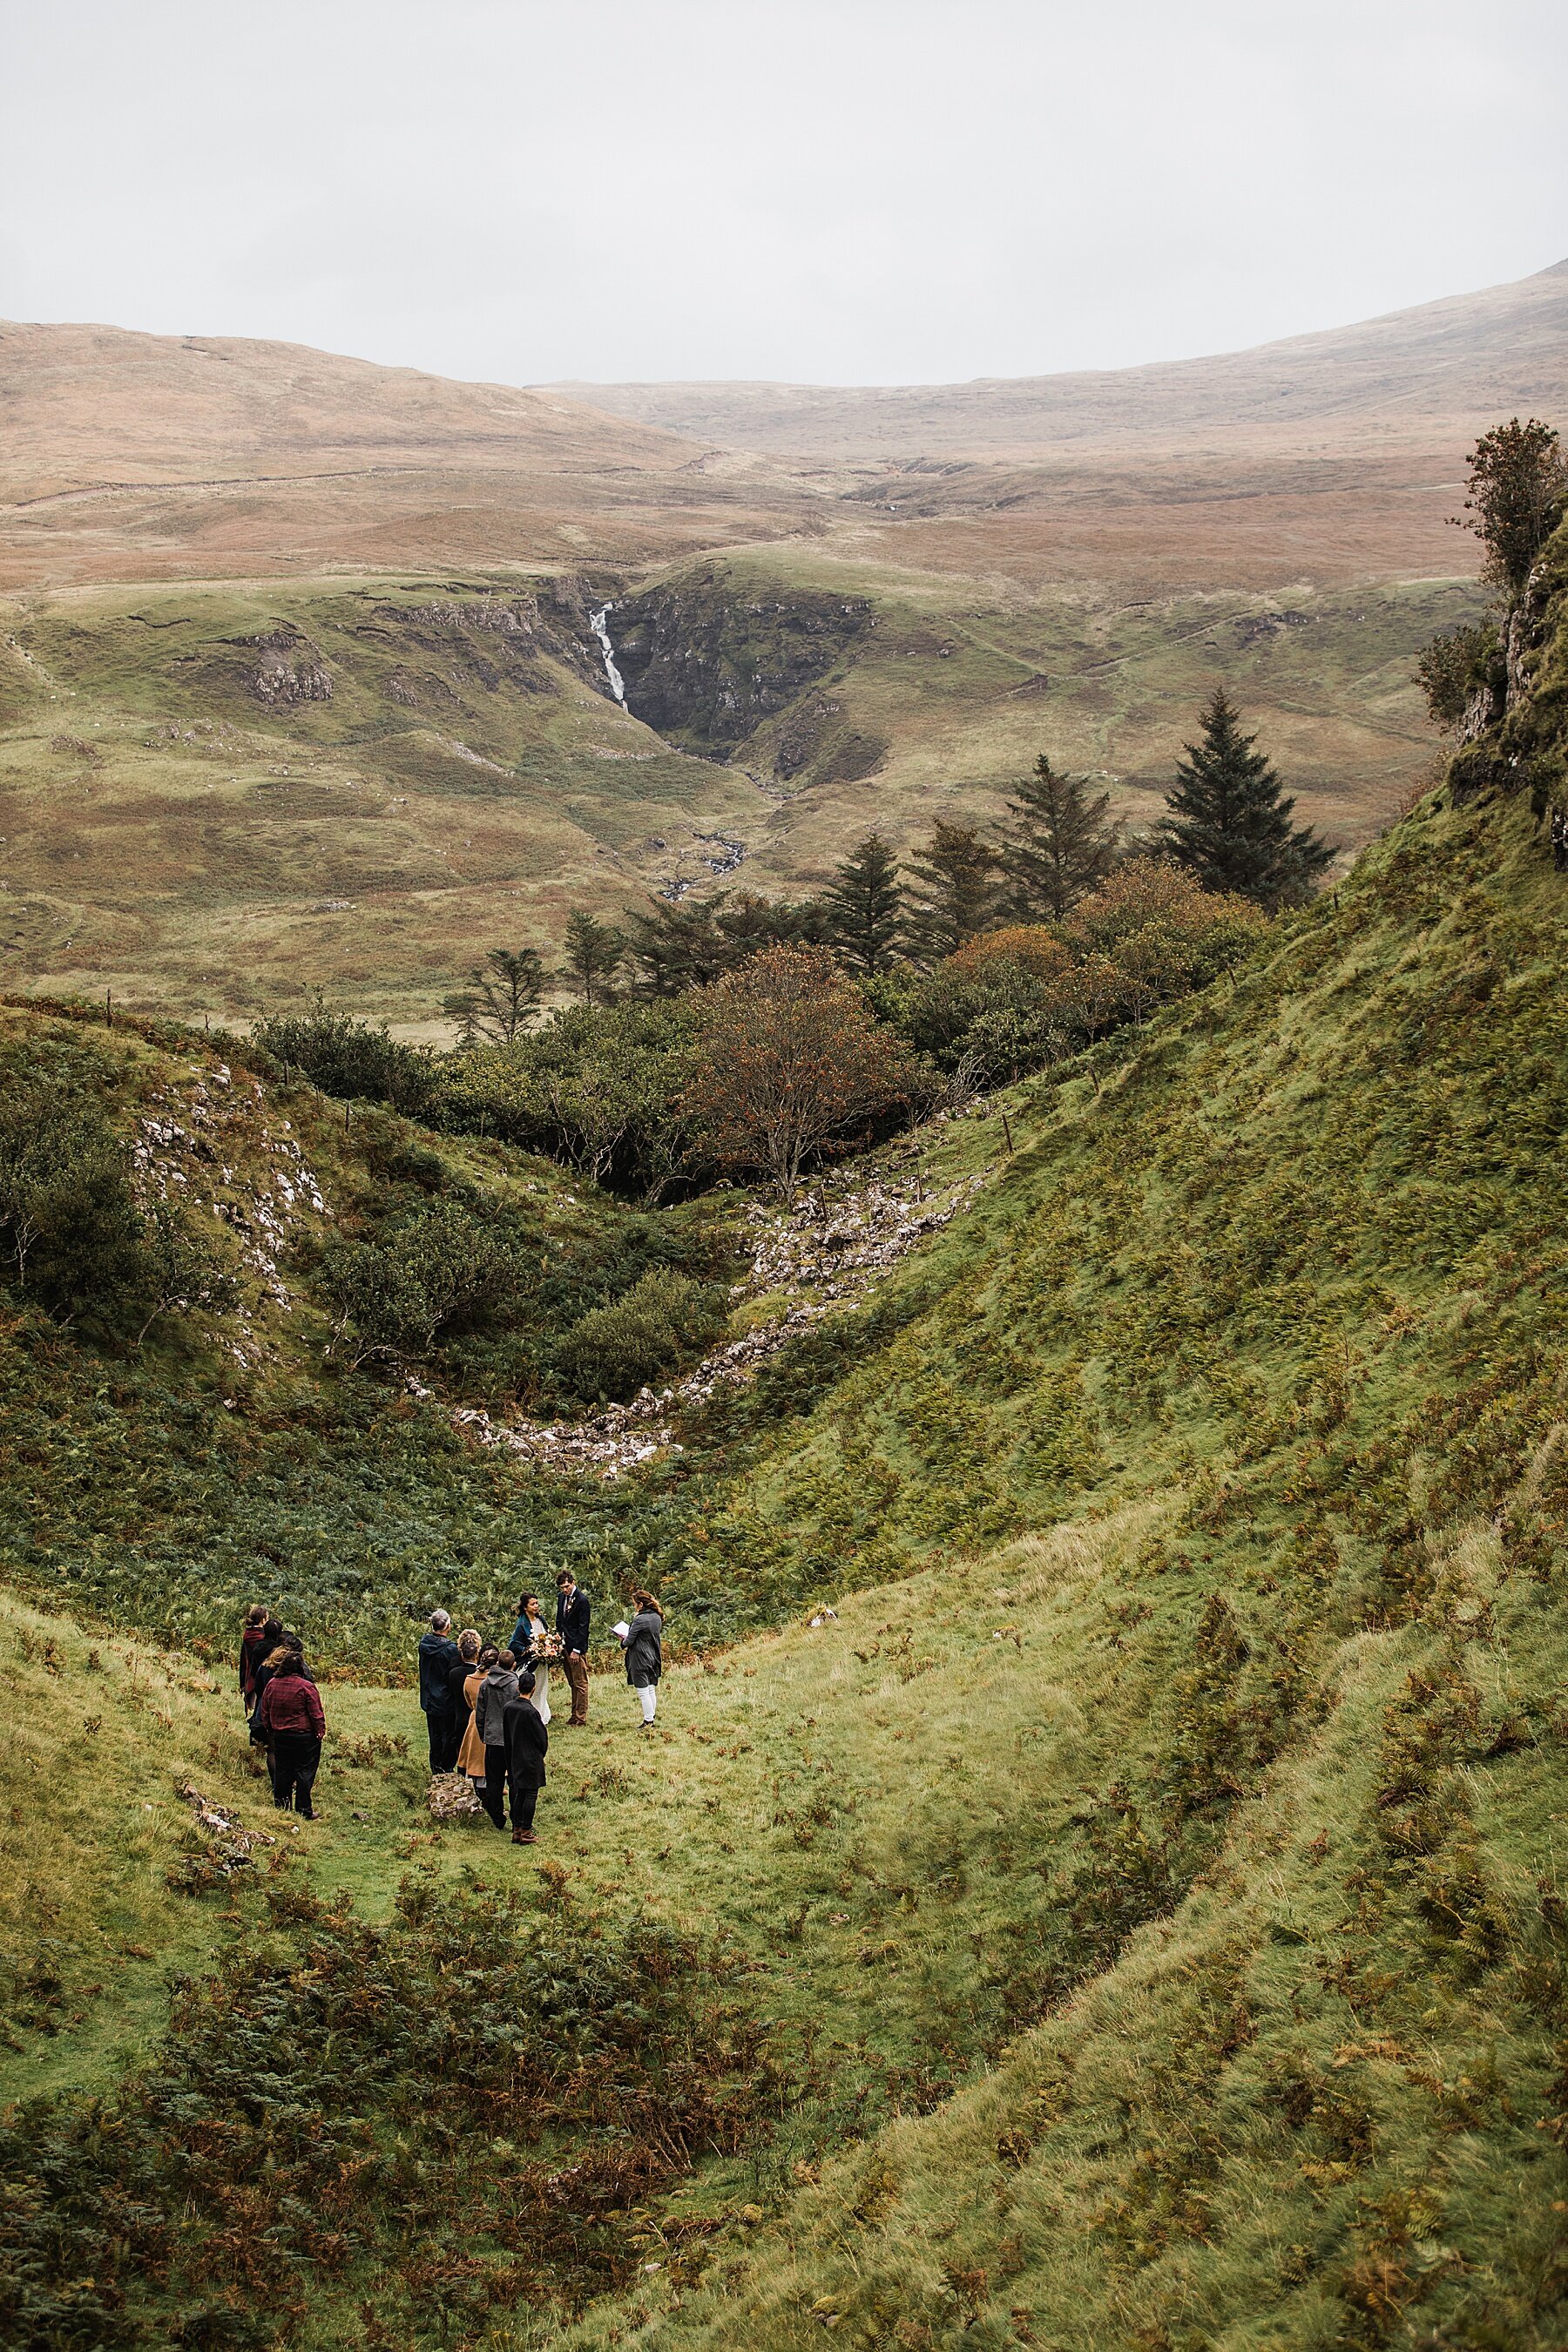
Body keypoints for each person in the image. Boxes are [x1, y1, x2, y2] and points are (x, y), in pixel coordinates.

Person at [257, 1650, 326, 1819]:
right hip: (304, 1736)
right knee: (304, 1772)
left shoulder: (272, 1684)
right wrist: (320, 1732)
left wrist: (270, 1728)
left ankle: (282, 1806)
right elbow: (316, 1713)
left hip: (280, 1734)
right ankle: (303, 1809)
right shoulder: (306, 1687)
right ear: (300, 1667)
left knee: (283, 1770)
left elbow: (265, 1709)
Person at [475, 1648, 522, 1829]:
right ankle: (516, 1817)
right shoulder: (514, 1686)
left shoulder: (486, 1684)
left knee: (494, 1781)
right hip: (510, 1739)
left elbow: (480, 1713)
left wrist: (483, 1734)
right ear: (513, 1665)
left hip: (493, 1738)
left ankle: (497, 1816)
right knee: (514, 1781)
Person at [502, 1669, 549, 1844]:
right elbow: (541, 1738)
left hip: (514, 1756)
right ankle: (526, 1832)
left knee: (518, 1793)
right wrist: (540, 1755)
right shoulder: (531, 1712)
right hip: (530, 1759)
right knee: (530, 1795)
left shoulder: (508, 1708)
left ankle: (517, 1828)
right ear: (534, 1689)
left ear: (518, 1687)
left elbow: (506, 1734)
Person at [417, 1610, 462, 1775]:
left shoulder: (424, 1644)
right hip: (446, 1699)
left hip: (429, 1697)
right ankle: (446, 1767)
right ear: (448, 1626)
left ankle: (435, 1767)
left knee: (434, 1735)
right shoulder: (451, 1650)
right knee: (448, 1736)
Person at [507, 1592, 555, 1727]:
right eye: (532, 1604)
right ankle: (530, 1714)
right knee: (532, 1685)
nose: (536, 1606)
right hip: (530, 1661)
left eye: (536, 1603)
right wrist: (529, 1650)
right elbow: (514, 1643)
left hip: (542, 1659)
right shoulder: (522, 1624)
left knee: (541, 1684)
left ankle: (541, 1713)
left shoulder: (540, 1619)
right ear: (525, 1607)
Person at [618, 1589, 664, 1728]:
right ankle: (651, 1716)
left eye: (635, 1604)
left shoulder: (640, 1620)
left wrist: (622, 1639)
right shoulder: (657, 1617)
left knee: (643, 1691)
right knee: (651, 1689)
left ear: (641, 1605)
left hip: (640, 1658)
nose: (634, 1606)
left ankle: (648, 1720)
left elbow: (629, 1641)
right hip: (653, 1656)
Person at [248, 1618, 287, 1772]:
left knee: (259, 1720)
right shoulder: (278, 1653)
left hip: (262, 1687)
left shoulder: (258, 1646)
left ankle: (258, 1745)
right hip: (276, 1691)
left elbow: (253, 1669)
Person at [456, 1646, 497, 1788]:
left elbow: (468, 1702)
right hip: (493, 1718)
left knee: (474, 1754)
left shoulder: (470, 1679)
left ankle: (476, 1781)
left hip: (475, 1717)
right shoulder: (494, 1681)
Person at [556, 1571, 591, 1727]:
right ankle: (573, 1715)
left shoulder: (582, 1600)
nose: (565, 1590)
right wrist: (557, 1638)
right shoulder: (561, 1598)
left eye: (567, 1586)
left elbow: (584, 1628)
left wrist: (577, 1649)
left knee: (580, 1683)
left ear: (573, 1582)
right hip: (564, 1645)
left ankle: (581, 1717)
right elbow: (560, 1620)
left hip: (576, 1648)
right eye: (562, 1587)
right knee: (572, 1683)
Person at [443, 1628, 481, 1769]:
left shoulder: (453, 1670)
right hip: (473, 1711)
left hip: (457, 1710)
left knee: (458, 1743)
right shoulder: (479, 1672)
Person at [239, 1603, 269, 1718]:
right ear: (263, 1620)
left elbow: (243, 1659)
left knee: (253, 1708)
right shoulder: (264, 1637)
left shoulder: (247, 1635)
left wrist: (242, 1681)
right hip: (262, 1674)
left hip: (249, 1674)